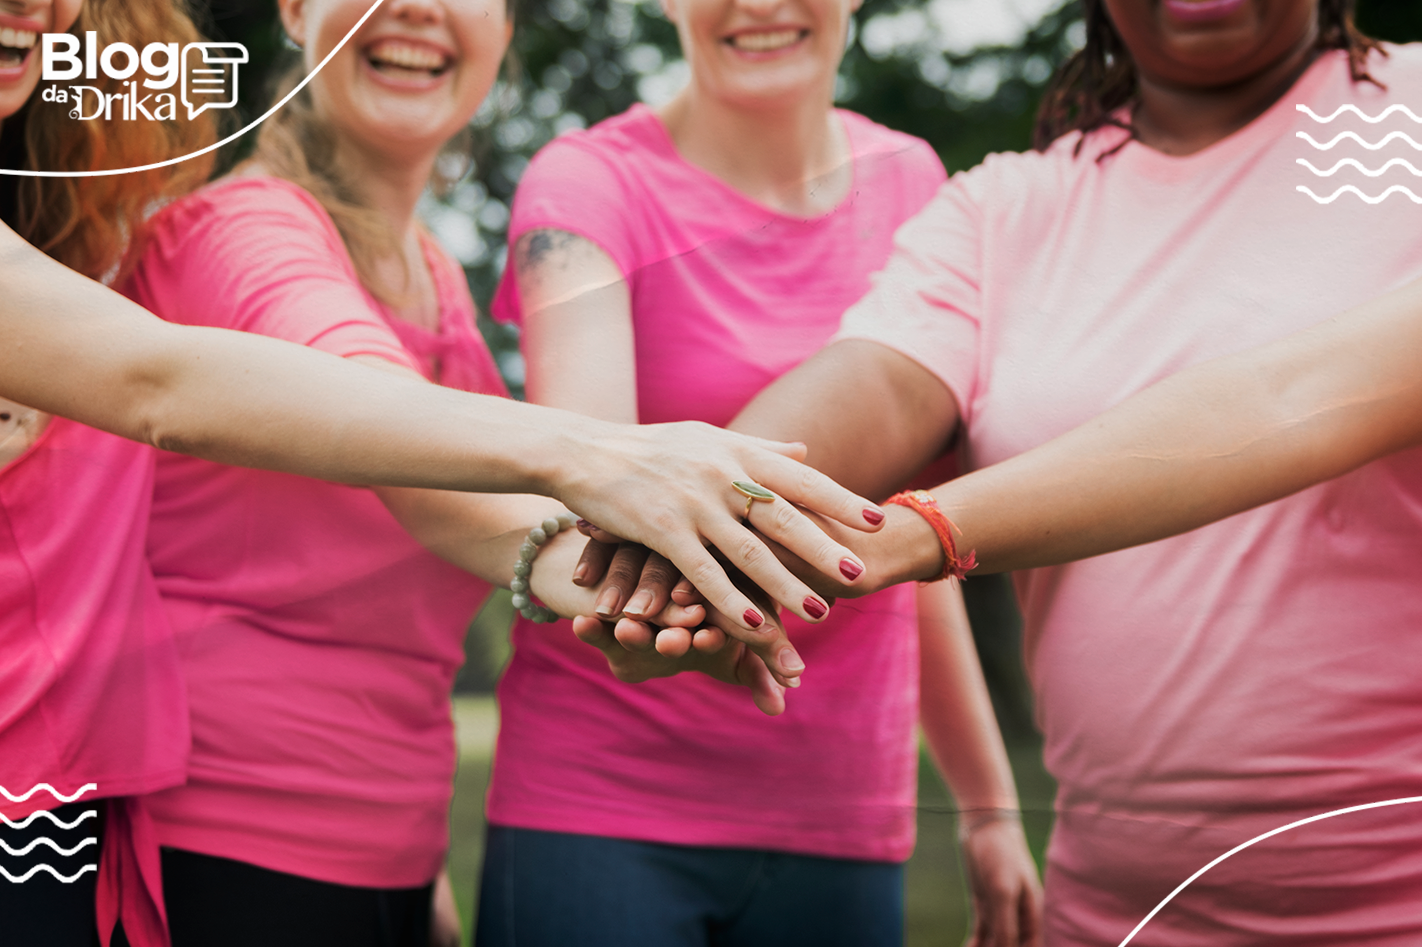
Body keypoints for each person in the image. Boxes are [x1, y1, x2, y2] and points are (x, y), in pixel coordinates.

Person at [0, 1, 881, 944]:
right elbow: (397, 454)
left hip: (383, 848)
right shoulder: (237, 229)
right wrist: (608, 484)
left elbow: (452, 531)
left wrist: (636, 583)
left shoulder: (436, 272)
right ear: (296, 11)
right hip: (224, 846)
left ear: (505, 28)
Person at [594, 1, 1422, 943]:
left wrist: (916, 533)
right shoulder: (1008, 207)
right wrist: (694, 542)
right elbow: (875, 382)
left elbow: (1293, 400)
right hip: (1111, 913)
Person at [480, 0, 1042, 940]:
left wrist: (986, 802)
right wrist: (657, 610)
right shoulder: (584, 184)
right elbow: (586, 472)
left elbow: (901, 533)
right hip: (600, 801)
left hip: (841, 808)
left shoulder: (912, 182)